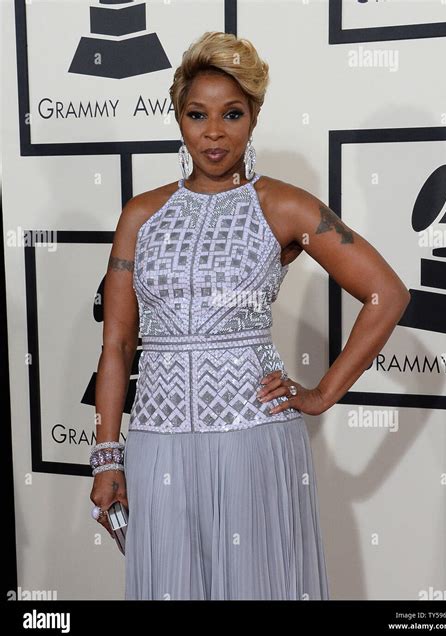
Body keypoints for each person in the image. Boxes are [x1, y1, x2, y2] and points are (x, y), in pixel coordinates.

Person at [89, 31, 410, 600]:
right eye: (197, 115)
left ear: (254, 116)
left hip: (251, 438)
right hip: (157, 440)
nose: (214, 133)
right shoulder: (141, 214)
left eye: (231, 114)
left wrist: (321, 393)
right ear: (179, 118)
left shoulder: (282, 205)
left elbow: (386, 293)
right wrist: (107, 457)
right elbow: (117, 345)